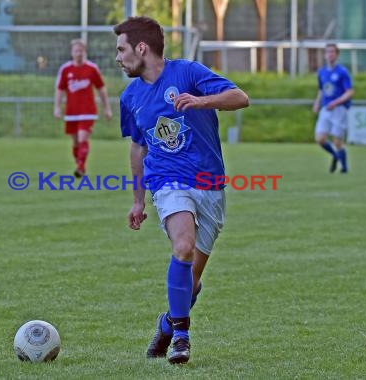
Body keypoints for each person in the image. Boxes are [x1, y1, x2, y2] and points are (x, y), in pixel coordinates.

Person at [113, 17, 249, 364]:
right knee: (183, 246)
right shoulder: (130, 97)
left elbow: (240, 97)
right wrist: (138, 200)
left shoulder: (188, 72)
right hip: (167, 180)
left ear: (141, 48)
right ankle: (182, 338)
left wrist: (202, 102)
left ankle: (167, 324)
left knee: (192, 278)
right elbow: (138, 147)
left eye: (121, 49)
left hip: (209, 184)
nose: (118, 58)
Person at [54, 39, 113, 177]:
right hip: (71, 112)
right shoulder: (65, 69)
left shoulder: (92, 69)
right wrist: (57, 107)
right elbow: (59, 90)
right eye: (76, 51)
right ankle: (80, 164)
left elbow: (101, 89)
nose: (79, 53)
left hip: (88, 112)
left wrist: (107, 108)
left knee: (82, 139)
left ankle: (80, 168)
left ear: (85, 52)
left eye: (81, 51)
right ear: (72, 53)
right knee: (75, 142)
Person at [313, 43, 354, 173]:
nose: (330, 54)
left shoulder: (342, 72)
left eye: (332, 52)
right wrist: (317, 102)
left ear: (337, 54)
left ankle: (344, 168)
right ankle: (336, 156)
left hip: (339, 109)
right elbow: (321, 89)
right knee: (320, 139)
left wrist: (336, 102)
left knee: (337, 142)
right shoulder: (322, 72)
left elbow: (350, 92)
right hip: (326, 108)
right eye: (327, 52)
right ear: (325, 55)